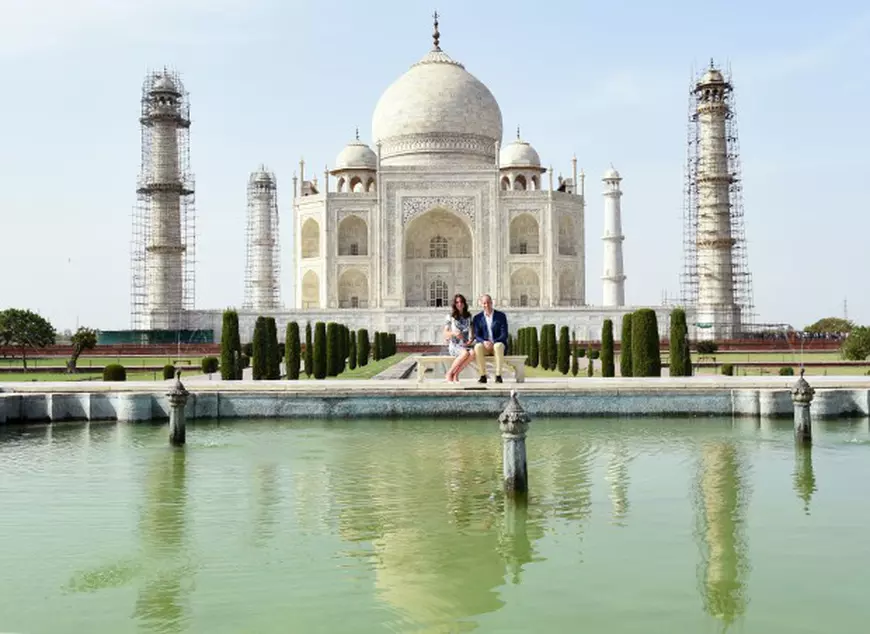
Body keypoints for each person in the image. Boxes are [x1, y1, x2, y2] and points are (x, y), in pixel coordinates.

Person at [472, 294, 509, 384]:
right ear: (481, 304)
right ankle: (483, 375)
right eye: (484, 303)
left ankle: (498, 376)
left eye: (488, 303)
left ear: (492, 303)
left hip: (497, 345)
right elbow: (477, 335)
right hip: (485, 346)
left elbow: (504, 334)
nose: (487, 305)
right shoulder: (477, 318)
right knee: (477, 347)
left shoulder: (500, 316)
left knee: (498, 345)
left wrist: (493, 342)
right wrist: (484, 342)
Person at [443, 294, 475, 383]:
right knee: (465, 353)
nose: (459, 304)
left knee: (472, 353)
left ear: (464, 304)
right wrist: (454, 333)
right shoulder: (450, 316)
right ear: (454, 304)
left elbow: (472, 332)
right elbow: (445, 333)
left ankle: (456, 374)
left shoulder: (469, 317)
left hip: (464, 345)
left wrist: (471, 340)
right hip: (454, 345)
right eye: (457, 302)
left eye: (461, 302)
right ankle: (449, 373)